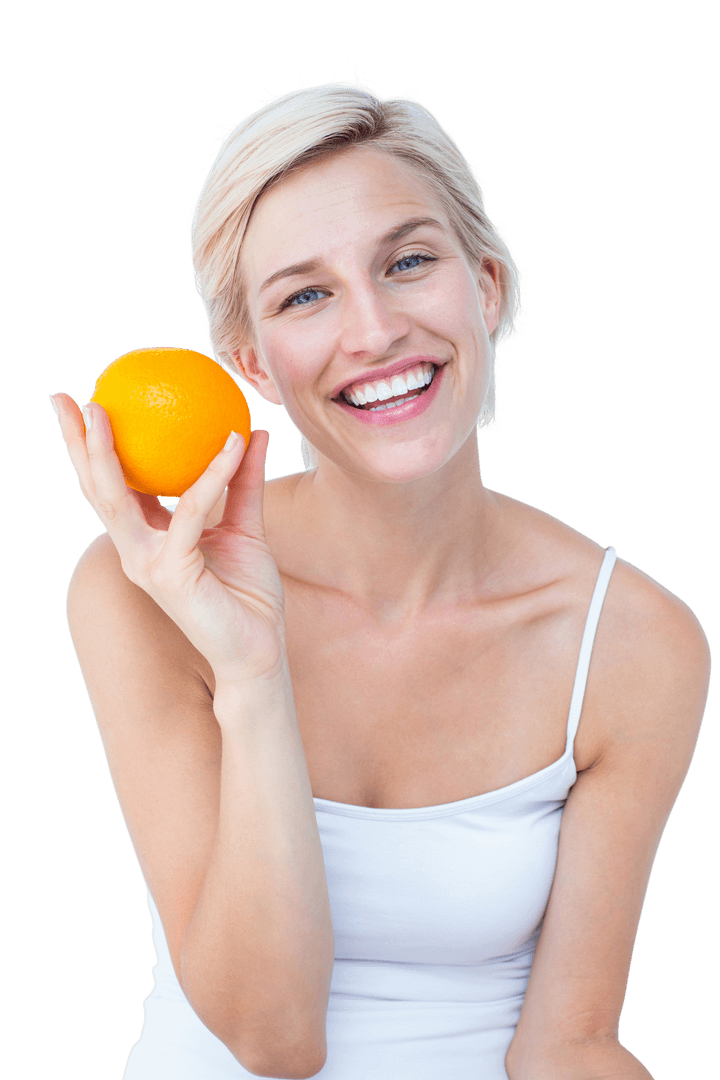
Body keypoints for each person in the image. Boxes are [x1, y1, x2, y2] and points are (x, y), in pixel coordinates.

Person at [49, 78, 710, 1080]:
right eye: (305, 294)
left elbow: (569, 1046)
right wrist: (253, 668)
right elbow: (272, 1039)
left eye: (407, 262)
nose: (373, 331)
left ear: (485, 288)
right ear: (253, 365)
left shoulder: (630, 642)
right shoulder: (142, 592)